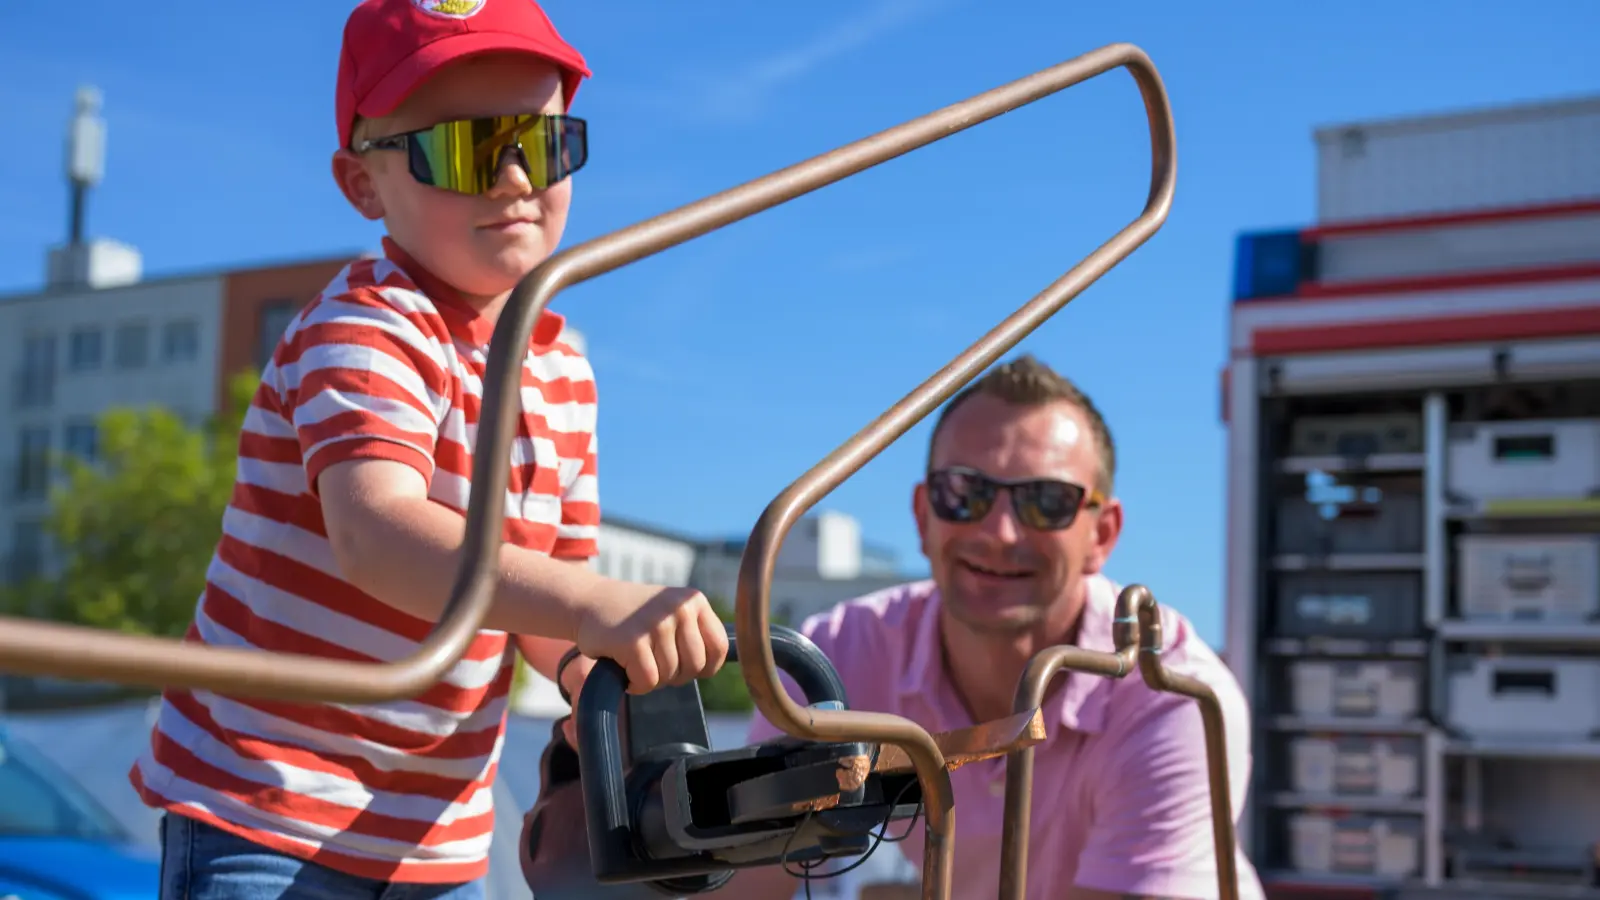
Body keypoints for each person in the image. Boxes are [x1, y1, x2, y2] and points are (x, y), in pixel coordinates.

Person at [125, 1, 729, 897]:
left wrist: (594, 680)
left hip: (433, 836)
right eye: (467, 150)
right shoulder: (366, 326)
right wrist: (599, 600)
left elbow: (540, 600)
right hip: (267, 803)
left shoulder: (561, 369)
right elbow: (380, 537)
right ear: (362, 185)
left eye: (545, 140)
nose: (516, 176)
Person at [730, 354, 1266, 900]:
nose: (1000, 533)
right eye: (964, 493)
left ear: (1102, 535)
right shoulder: (839, 654)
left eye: (1046, 502)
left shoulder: (1169, 695)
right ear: (922, 516)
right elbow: (737, 883)